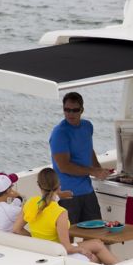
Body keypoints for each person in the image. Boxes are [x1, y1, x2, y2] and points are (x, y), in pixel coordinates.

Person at [13, 168, 118, 265]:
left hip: (43, 249)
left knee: (97, 246)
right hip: (58, 252)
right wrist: (81, 250)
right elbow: (67, 248)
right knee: (96, 252)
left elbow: (16, 229)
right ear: (59, 186)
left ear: (38, 185)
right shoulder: (60, 212)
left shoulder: (30, 203)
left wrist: (35, 238)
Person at [49, 92, 110, 224]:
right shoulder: (60, 133)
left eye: (75, 110)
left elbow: (88, 149)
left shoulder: (87, 126)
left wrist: (98, 169)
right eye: (67, 110)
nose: (70, 114)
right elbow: (64, 167)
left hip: (87, 190)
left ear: (82, 110)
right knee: (67, 236)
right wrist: (93, 171)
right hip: (67, 193)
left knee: (97, 232)